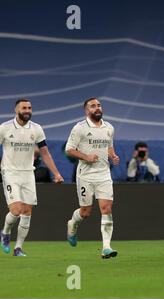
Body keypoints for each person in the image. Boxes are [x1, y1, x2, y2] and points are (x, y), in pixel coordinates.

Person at [0, 99, 64, 256]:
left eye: (29, 108)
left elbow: (44, 152)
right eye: (24, 108)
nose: (27, 110)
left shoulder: (36, 129)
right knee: (16, 210)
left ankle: (18, 248)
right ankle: (6, 233)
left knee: (27, 212)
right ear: (16, 110)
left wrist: (56, 173)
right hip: (10, 172)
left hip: (28, 173)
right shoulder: (4, 128)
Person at [65, 97, 120, 259]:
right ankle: (72, 223)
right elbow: (69, 149)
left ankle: (106, 247)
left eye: (99, 105)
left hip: (104, 174)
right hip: (86, 176)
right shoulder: (79, 128)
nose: (97, 108)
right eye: (93, 106)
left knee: (106, 209)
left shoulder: (109, 127)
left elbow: (109, 146)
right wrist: (86, 157)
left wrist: (113, 156)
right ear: (86, 111)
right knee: (85, 212)